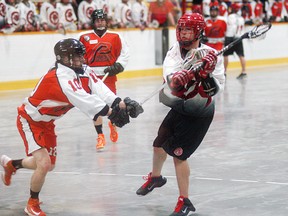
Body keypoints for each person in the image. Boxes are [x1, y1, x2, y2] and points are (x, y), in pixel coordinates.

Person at [0, 38, 143, 216]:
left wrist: (122, 104)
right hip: (30, 120)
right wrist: (111, 114)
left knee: (48, 165)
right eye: (76, 56)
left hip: (47, 122)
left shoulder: (82, 69)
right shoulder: (60, 77)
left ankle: (12, 165)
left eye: (81, 55)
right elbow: (85, 100)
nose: (81, 60)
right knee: (43, 164)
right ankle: (32, 203)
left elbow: (99, 88)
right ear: (63, 58)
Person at [136, 12, 225, 216]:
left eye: (188, 30)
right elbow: (170, 81)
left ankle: (185, 201)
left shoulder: (212, 56)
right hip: (179, 107)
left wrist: (206, 74)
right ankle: (156, 178)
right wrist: (178, 76)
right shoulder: (174, 50)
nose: (183, 34)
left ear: (199, 32)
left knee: (179, 155)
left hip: (198, 113)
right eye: (182, 29)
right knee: (158, 145)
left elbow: (216, 90)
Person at [79, 9, 129, 151]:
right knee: (95, 107)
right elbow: (79, 56)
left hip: (109, 76)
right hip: (91, 77)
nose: (100, 22)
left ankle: (112, 125)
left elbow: (125, 53)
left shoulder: (115, 36)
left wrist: (119, 65)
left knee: (112, 105)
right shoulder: (84, 37)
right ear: (93, 22)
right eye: (97, 20)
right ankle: (100, 135)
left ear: (106, 21)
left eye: (102, 20)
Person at [223, 1, 247, 79]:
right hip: (239, 37)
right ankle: (244, 72)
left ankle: (224, 72)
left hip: (230, 37)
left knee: (225, 55)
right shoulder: (241, 18)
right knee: (241, 55)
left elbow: (230, 27)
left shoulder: (230, 17)